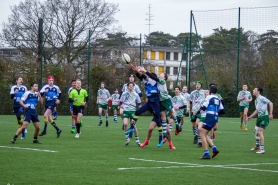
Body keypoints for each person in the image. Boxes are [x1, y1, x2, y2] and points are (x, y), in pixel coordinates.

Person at [126, 64, 162, 148]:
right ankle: (131, 128)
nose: (148, 78)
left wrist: (144, 71)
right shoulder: (148, 81)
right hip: (149, 103)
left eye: (150, 77)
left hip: (156, 104)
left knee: (158, 120)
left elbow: (148, 76)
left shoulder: (155, 81)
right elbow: (141, 77)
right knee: (137, 112)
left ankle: (160, 137)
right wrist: (136, 71)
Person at [141, 68, 177, 150]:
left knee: (168, 131)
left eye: (162, 74)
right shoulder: (156, 84)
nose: (160, 74)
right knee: (150, 129)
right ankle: (146, 141)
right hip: (157, 114)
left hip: (163, 114)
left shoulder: (162, 83)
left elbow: (154, 78)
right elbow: (151, 81)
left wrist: (145, 71)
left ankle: (170, 144)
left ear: (164, 78)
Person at [198, 85, 225, 159]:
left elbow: (204, 107)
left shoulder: (209, 97)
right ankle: (214, 149)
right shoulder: (218, 99)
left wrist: (198, 110)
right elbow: (223, 111)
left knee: (202, 134)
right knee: (205, 134)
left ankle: (206, 154)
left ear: (210, 91)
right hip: (215, 118)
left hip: (209, 117)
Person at [247, 87, 273, 154]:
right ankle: (257, 146)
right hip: (259, 117)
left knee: (260, 132)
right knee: (255, 131)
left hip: (264, 117)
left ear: (258, 91)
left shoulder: (262, 98)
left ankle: (262, 149)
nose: (253, 90)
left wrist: (270, 114)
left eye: (254, 90)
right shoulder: (256, 100)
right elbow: (257, 110)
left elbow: (270, 103)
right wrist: (250, 117)